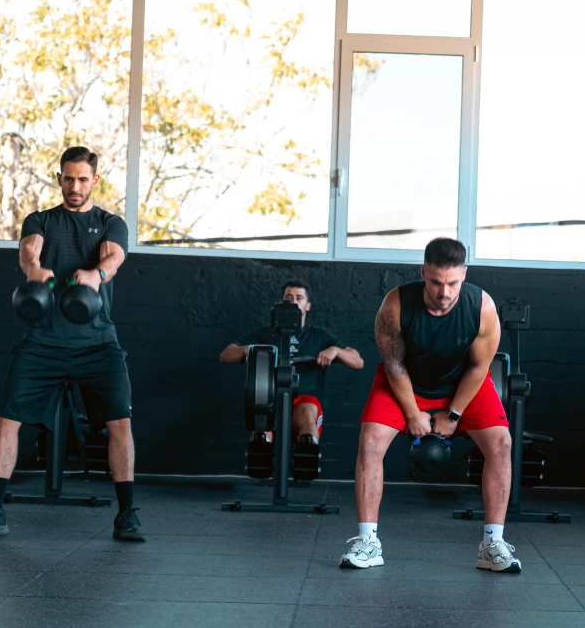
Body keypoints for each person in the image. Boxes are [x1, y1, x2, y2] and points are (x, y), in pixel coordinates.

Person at [0, 147, 144, 542]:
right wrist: (34, 269)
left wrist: (97, 274)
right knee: (9, 419)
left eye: (83, 179)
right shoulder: (41, 220)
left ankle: (127, 514)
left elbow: (114, 256)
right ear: (59, 178)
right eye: (68, 178)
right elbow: (28, 250)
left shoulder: (109, 223)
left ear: (95, 180)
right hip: (43, 342)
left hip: (97, 343)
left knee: (120, 422)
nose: (75, 186)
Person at [340, 237, 520, 573]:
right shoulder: (396, 305)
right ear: (423, 272)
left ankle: (492, 544)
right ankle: (367, 541)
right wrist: (412, 413)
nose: (444, 293)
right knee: (370, 441)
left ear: (464, 274)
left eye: (452, 283)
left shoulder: (482, 308)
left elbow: (479, 366)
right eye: (436, 282)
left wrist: (454, 414)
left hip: (462, 383)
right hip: (406, 381)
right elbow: (394, 365)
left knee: (501, 442)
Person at [220, 280, 363, 443]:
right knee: (261, 425)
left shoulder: (319, 336)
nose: (293, 302)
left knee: (307, 412)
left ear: (307, 306)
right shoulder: (265, 334)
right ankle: (261, 447)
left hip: (304, 401)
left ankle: (308, 446)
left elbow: (358, 362)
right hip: (270, 400)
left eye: (299, 298)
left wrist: (336, 350)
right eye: (288, 297)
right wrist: (249, 349)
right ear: (282, 303)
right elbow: (226, 355)